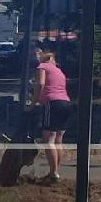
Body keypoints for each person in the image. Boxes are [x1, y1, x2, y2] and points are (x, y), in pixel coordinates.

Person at [34, 48, 70, 182]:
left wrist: (34, 102)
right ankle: (55, 171)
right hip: (65, 102)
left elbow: (41, 83)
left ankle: (53, 172)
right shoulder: (59, 71)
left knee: (48, 138)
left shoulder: (42, 66)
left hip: (51, 102)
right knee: (58, 139)